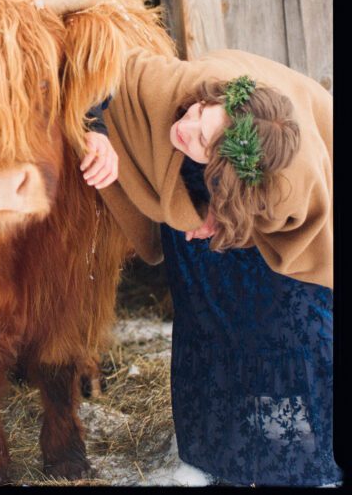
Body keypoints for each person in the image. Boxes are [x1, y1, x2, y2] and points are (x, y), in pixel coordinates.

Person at [78, 47, 339, 486]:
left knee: (293, 319)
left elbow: (295, 223)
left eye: (201, 137)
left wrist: (230, 218)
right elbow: (103, 62)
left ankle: (308, 453)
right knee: (207, 312)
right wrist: (94, 128)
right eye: (202, 114)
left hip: (256, 195)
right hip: (191, 180)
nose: (185, 127)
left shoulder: (289, 183)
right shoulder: (194, 90)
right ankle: (217, 448)